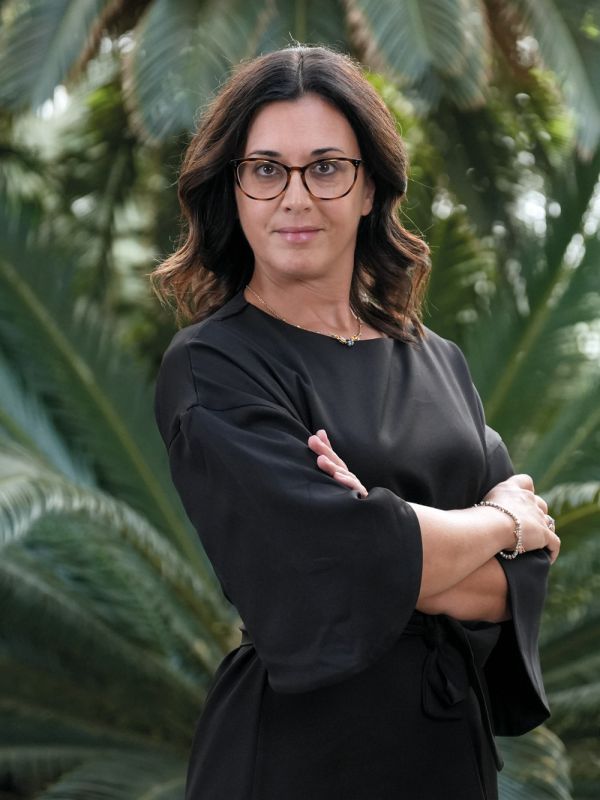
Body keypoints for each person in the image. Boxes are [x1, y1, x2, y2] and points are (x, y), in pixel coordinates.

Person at [151, 45, 560, 800]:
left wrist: (386, 533)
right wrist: (499, 523)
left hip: (450, 757)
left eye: (327, 168)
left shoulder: (437, 360)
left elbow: (520, 582)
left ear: (370, 187)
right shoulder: (214, 364)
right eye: (266, 169)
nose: (295, 197)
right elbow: (333, 566)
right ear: (234, 189)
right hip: (297, 761)